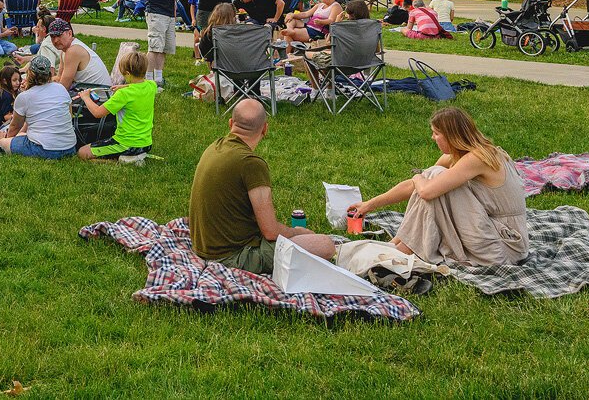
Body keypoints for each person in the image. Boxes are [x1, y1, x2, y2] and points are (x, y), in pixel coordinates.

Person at [348, 107, 528, 267]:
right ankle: (401, 244)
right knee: (433, 177)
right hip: (491, 232)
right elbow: (417, 187)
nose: (432, 137)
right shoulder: (461, 156)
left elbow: (426, 190)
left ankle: (404, 247)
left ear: (451, 136)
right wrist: (369, 204)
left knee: (434, 176)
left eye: (436, 133)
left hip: (504, 247)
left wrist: (418, 176)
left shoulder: (478, 157)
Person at [190, 99, 335, 272]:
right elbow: (270, 231)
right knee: (325, 245)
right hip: (230, 256)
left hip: (204, 246)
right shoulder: (251, 164)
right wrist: (297, 232)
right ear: (265, 129)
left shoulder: (215, 146)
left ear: (230, 124)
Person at [0, 55, 77, 159]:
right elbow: (69, 116)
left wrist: (7, 140)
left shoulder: (25, 97)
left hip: (44, 149)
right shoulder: (61, 88)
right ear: (49, 73)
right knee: (21, 135)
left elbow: (14, 128)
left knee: (3, 142)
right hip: (69, 148)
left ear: (30, 73)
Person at [76, 50, 156, 161]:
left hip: (126, 143)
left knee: (82, 152)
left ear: (128, 74)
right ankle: (134, 156)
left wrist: (86, 97)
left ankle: (123, 161)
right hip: (146, 143)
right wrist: (124, 86)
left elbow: (98, 113)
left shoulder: (123, 95)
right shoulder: (151, 86)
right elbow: (139, 85)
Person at [46, 18, 113, 92]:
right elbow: (59, 78)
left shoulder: (73, 51)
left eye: (59, 35)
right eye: (52, 37)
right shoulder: (64, 51)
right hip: (90, 93)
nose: (55, 40)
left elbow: (64, 87)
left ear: (69, 33)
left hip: (100, 97)